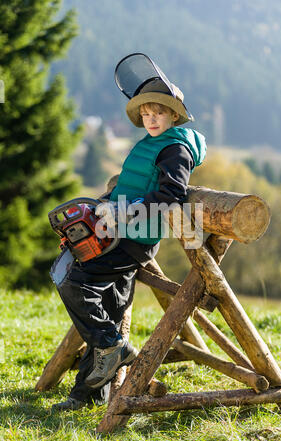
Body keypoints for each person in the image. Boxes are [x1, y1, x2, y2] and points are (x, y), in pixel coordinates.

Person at [52, 53, 206, 411]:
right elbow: (129, 186)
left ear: (173, 115)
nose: (151, 119)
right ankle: (88, 394)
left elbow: (169, 196)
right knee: (106, 304)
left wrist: (121, 211)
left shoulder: (175, 148)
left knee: (74, 280)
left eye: (159, 114)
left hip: (136, 238)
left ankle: (112, 345)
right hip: (121, 231)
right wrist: (100, 207)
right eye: (146, 114)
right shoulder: (151, 143)